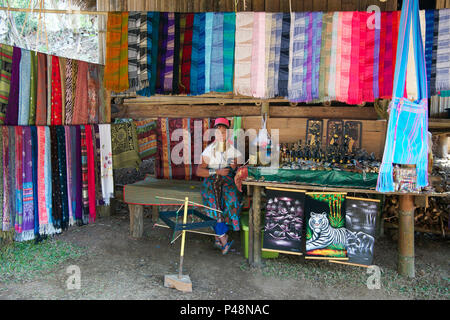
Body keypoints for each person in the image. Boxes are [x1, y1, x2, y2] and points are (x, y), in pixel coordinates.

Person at [196, 118, 243, 255]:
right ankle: (223, 239)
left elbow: (238, 168)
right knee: (214, 204)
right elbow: (199, 171)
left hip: (227, 182)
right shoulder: (208, 151)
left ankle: (220, 236)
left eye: (223, 132)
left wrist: (235, 166)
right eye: (218, 133)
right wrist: (216, 171)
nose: (221, 135)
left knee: (232, 199)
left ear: (227, 134)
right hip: (211, 181)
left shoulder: (232, 150)